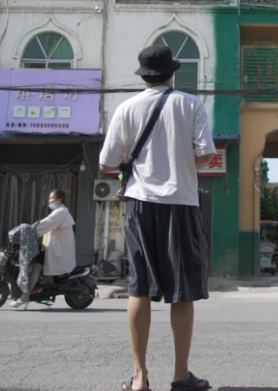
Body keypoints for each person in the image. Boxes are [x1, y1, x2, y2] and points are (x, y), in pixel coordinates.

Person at [100, 45, 216, 391]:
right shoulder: (191, 104)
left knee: (139, 287)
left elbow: (107, 164)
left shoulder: (125, 108)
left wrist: (132, 166)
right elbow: (207, 155)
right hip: (181, 202)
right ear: (172, 73)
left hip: (138, 203)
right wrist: (181, 167)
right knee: (182, 290)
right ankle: (181, 376)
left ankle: (139, 377)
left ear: (143, 75)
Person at [9, 188, 75, 308]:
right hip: (52, 246)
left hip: (57, 249)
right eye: (49, 199)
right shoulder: (60, 211)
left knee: (36, 266)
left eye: (52, 199)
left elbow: (44, 225)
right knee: (36, 262)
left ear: (59, 200)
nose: (49, 201)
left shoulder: (61, 212)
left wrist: (29, 230)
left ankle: (26, 295)